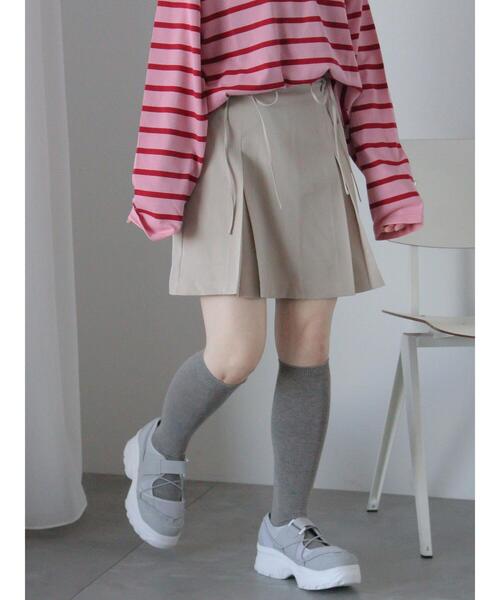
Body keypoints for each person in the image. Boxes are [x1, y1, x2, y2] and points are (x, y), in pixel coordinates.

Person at [124, 0, 423, 591]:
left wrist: (388, 182)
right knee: (234, 354)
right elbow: (175, 66)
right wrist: (159, 186)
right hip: (229, 138)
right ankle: (162, 446)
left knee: (309, 346)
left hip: (319, 130)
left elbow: (364, 65)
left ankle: (286, 529)